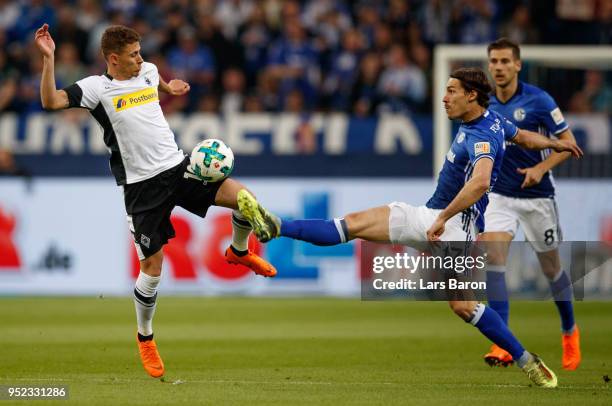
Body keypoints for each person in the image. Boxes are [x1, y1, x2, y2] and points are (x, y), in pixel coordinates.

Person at [235, 67, 583, 388]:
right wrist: (555, 143)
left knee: (463, 306)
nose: (444, 97)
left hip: (454, 229)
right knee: (352, 224)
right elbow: (522, 136)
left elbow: (479, 183)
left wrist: (444, 218)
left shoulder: (482, 137)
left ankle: (527, 359)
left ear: (472, 95)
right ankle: (275, 225)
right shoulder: (493, 122)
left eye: (451, 91)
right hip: (429, 216)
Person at [34, 23, 277, 379]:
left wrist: (170, 87)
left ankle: (238, 251)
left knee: (244, 198)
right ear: (113, 59)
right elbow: (50, 101)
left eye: (140, 52)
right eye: (133, 54)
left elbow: (157, 81)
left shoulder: (147, 71)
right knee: (152, 269)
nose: (141, 58)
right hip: (142, 188)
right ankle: (145, 337)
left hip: (179, 168)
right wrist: (50, 58)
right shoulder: (96, 88)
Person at [482, 38, 581, 370]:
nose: (498, 67)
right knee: (493, 260)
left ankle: (569, 331)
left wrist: (540, 168)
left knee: (552, 270)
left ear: (517, 65)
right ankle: (503, 343)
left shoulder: (539, 101)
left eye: (504, 61)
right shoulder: (482, 102)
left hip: (538, 198)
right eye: (493, 61)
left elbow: (568, 143)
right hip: (499, 195)